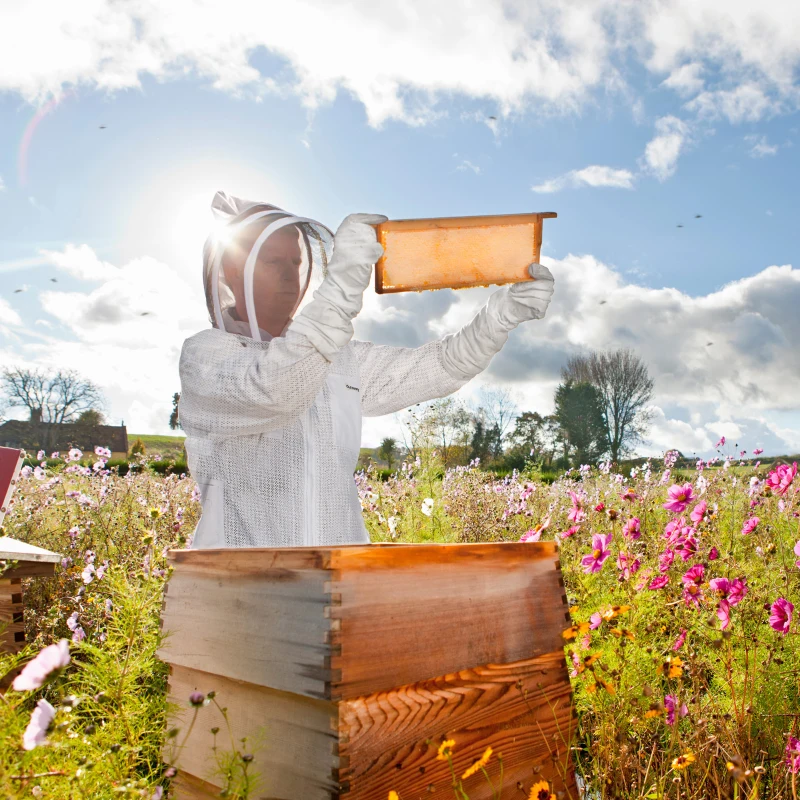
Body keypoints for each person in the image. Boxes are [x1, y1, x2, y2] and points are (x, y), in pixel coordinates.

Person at [179, 192, 555, 549]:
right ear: (232, 271)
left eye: (295, 263)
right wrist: (340, 291)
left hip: (335, 584)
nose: (289, 276)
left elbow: (438, 366)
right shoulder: (206, 357)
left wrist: (499, 317)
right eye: (273, 262)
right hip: (238, 590)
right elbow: (274, 390)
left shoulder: (338, 358)